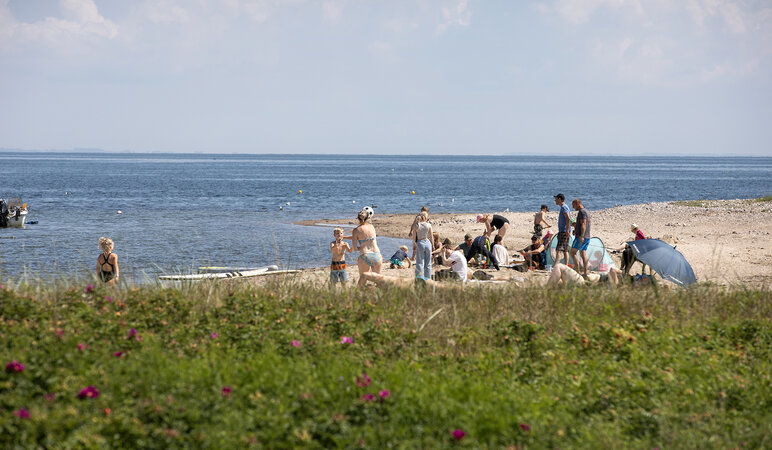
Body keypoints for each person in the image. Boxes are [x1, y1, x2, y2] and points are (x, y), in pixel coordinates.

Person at [353, 208, 383, 287]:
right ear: (368, 218)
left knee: (362, 281)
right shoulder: (372, 227)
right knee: (378, 280)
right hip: (377, 255)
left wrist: (362, 247)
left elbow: (355, 248)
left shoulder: (356, 230)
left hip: (364, 255)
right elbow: (367, 238)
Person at [570, 198, 591, 276]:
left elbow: (583, 224)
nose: (573, 207)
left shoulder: (582, 212)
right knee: (583, 254)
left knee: (573, 252)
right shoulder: (586, 211)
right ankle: (585, 272)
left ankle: (577, 270)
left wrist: (581, 236)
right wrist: (575, 226)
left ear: (578, 203)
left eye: (573, 205)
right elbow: (582, 224)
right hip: (587, 236)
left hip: (581, 237)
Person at [411, 211, 433, 280]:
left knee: (420, 263)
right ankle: (428, 278)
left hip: (420, 242)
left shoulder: (416, 226)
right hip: (427, 242)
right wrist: (433, 245)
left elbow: (414, 237)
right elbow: (431, 236)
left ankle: (419, 278)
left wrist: (414, 245)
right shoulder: (428, 225)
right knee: (428, 263)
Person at [553, 194, 572, 266]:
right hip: (565, 231)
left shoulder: (564, 207)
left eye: (556, 199)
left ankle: (556, 265)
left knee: (558, 249)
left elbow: (568, 219)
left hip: (563, 231)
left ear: (560, 199)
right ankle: (566, 265)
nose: (555, 201)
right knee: (565, 250)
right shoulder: (564, 207)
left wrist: (567, 230)